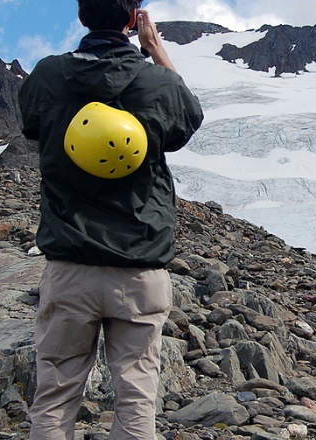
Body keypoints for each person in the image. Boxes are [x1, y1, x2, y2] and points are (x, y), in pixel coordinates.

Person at [18, 1, 203, 438]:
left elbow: (31, 123)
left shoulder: (48, 75)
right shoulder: (158, 82)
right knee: (137, 399)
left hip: (69, 266)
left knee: (54, 397)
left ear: (82, 16)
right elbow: (189, 117)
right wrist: (155, 49)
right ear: (132, 18)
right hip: (139, 268)